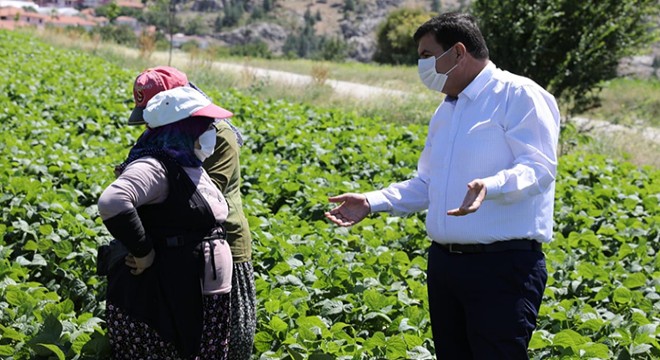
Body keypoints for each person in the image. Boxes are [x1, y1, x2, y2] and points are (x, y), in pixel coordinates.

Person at [325, 12, 560, 360]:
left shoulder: (519, 95)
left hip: (502, 266)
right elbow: (428, 183)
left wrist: (491, 186)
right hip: (446, 265)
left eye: (426, 55)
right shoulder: (447, 110)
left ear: (458, 52)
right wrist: (372, 202)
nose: (422, 65)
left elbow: (539, 168)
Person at [127, 65, 257, 360]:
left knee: (226, 342)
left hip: (220, 247)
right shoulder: (162, 134)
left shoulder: (215, 133)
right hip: (177, 248)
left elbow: (199, 197)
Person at [98, 86, 235, 359]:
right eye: (205, 125)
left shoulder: (187, 162)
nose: (212, 132)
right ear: (182, 128)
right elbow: (113, 201)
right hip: (166, 292)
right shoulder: (155, 165)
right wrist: (144, 251)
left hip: (196, 290)